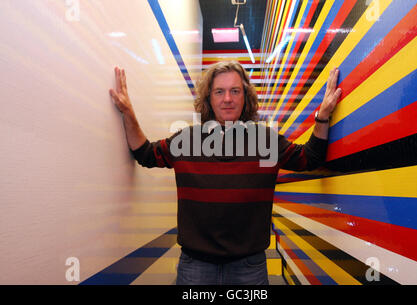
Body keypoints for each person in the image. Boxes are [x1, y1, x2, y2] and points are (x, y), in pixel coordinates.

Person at [109, 61, 341, 285]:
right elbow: (146, 154)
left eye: (235, 91)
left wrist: (323, 116)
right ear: (209, 98)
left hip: (249, 268)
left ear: (245, 97)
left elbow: (309, 158)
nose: (227, 99)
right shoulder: (186, 140)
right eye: (219, 91)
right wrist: (128, 112)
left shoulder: (266, 141)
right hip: (195, 268)